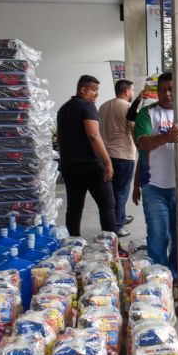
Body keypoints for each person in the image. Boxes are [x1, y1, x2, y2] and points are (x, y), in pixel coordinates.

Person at [133, 72, 178, 275]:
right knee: (158, 235)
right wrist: (136, 184)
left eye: (171, 89)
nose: (167, 94)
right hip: (154, 187)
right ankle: (159, 279)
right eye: (163, 90)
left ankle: (177, 277)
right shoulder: (148, 113)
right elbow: (142, 143)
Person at [56, 75, 116, 236]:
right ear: (83, 90)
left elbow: (60, 140)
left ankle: (72, 244)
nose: (96, 94)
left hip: (70, 165)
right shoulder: (88, 107)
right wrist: (107, 162)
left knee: (74, 207)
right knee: (107, 204)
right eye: (94, 90)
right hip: (91, 165)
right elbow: (93, 135)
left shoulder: (63, 109)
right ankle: (111, 245)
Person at [99, 79, 138, 237]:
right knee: (121, 192)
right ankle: (118, 225)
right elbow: (134, 129)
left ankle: (117, 218)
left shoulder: (103, 107)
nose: (133, 93)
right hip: (124, 155)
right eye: (132, 90)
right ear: (127, 91)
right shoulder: (128, 107)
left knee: (111, 192)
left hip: (106, 156)